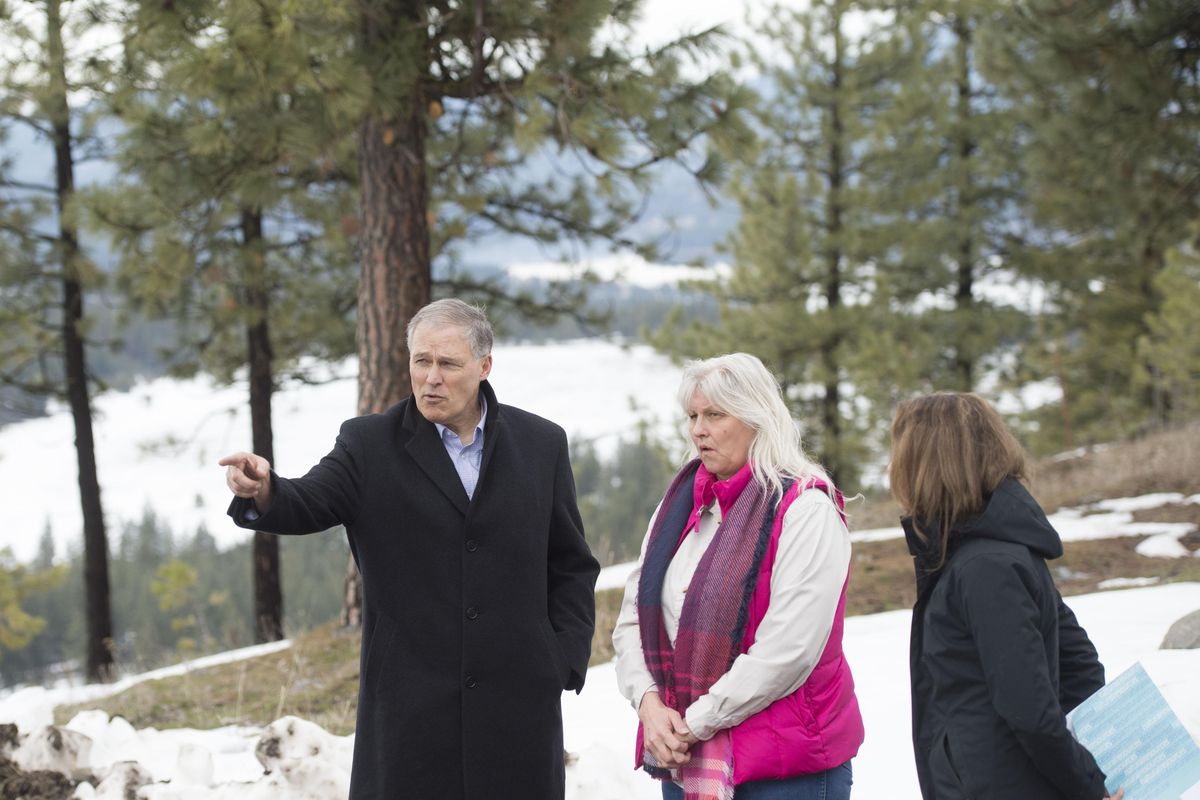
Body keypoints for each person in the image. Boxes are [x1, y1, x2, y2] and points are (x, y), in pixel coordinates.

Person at [219, 298, 599, 800]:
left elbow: (569, 562)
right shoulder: (368, 445)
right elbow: (309, 501)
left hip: (518, 709)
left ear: (484, 366)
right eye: (421, 361)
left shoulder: (542, 444)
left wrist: (561, 659)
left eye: (447, 363)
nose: (431, 378)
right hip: (410, 712)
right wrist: (265, 488)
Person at [613, 353, 863, 800]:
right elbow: (632, 617)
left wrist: (693, 721)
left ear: (756, 417)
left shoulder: (805, 509)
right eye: (692, 415)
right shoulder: (680, 505)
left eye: (715, 414)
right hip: (684, 757)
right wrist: (650, 705)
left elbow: (789, 651)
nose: (698, 430)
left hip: (785, 772)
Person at [889, 392, 1123, 800]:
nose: (893, 469)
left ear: (928, 466)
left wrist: (1090, 784)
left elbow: (1030, 707)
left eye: (900, 455)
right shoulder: (992, 551)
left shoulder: (984, 567)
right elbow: (1080, 666)